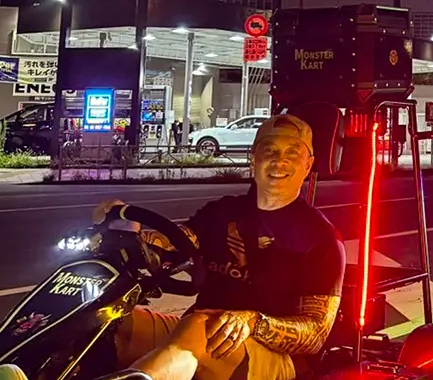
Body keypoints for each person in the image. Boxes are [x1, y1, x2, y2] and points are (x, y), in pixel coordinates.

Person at [96, 114, 342, 380]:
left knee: (199, 326)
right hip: (196, 330)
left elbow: (316, 334)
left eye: (293, 153)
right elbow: (178, 240)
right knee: (106, 319)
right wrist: (127, 231)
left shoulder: (320, 236)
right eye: (269, 150)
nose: (279, 161)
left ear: (308, 165)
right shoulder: (222, 212)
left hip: (276, 358)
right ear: (253, 158)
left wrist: (251, 322)